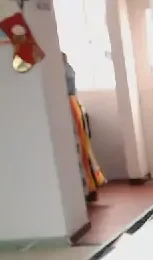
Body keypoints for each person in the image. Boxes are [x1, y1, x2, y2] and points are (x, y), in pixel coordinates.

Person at [63, 52, 106, 201]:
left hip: (71, 107)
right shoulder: (67, 68)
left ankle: (88, 187)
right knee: (81, 149)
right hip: (74, 106)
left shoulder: (63, 69)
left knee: (80, 149)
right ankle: (89, 187)